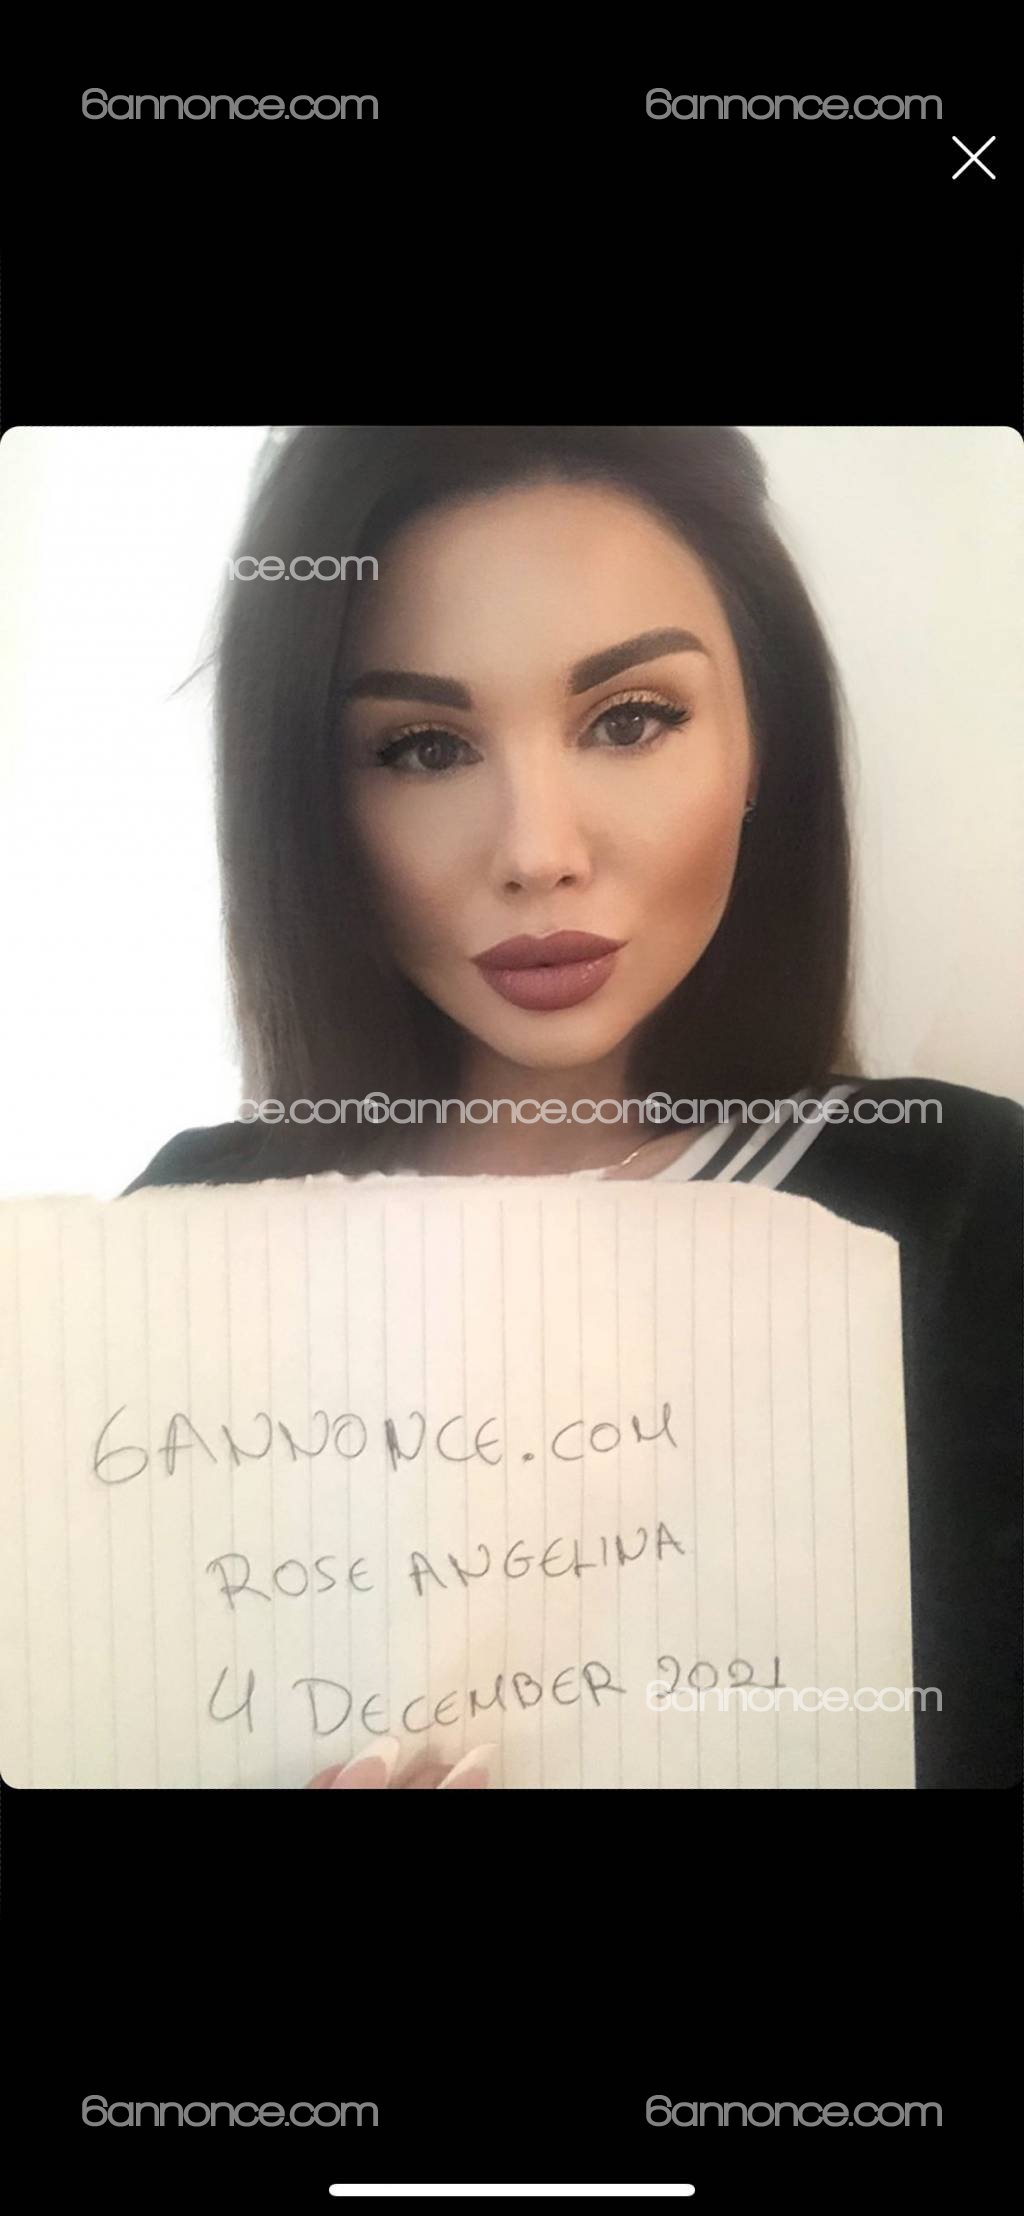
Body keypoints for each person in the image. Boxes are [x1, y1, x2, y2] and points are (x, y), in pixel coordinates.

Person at [124, 426, 1022, 1790]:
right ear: (310, 802)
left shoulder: (962, 1208)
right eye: (424, 747)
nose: (538, 851)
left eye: (630, 719)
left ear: (762, 740)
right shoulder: (176, 1242)